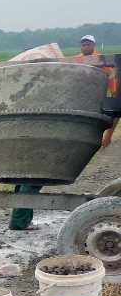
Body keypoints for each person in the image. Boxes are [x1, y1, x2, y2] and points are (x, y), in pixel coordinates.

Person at [10, 34, 117, 230]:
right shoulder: (73, 64)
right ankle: (18, 221)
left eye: (89, 44)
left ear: (93, 45)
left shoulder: (100, 65)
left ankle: (23, 219)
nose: (86, 46)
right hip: (43, 129)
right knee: (33, 175)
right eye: (83, 43)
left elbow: (113, 92)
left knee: (27, 175)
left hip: (30, 128)